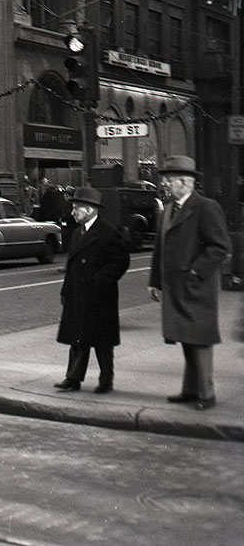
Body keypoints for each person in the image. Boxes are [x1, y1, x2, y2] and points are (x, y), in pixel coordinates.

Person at [148, 156, 231, 411]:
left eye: (169, 180)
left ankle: (206, 394)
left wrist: (196, 272)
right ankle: (190, 390)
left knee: (200, 341)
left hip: (196, 288)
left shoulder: (206, 207)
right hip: (175, 287)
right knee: (185, 338)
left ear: (184, 182)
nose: (165, 184)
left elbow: (220, 247)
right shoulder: (169, 209)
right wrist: (154, 281)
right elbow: (159, 249)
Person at [54, 187, 130, 394]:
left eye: (76, 209)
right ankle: (73, 378)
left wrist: (99, 281)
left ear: (88, 210)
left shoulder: (107, 232)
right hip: (78, 293)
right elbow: (72, 265)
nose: (72, 212)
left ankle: (106, 380)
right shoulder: (78, 232)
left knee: (102, 342)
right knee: (78, 338)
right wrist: (65, 290)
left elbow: (121, 261)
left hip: (99, 296)